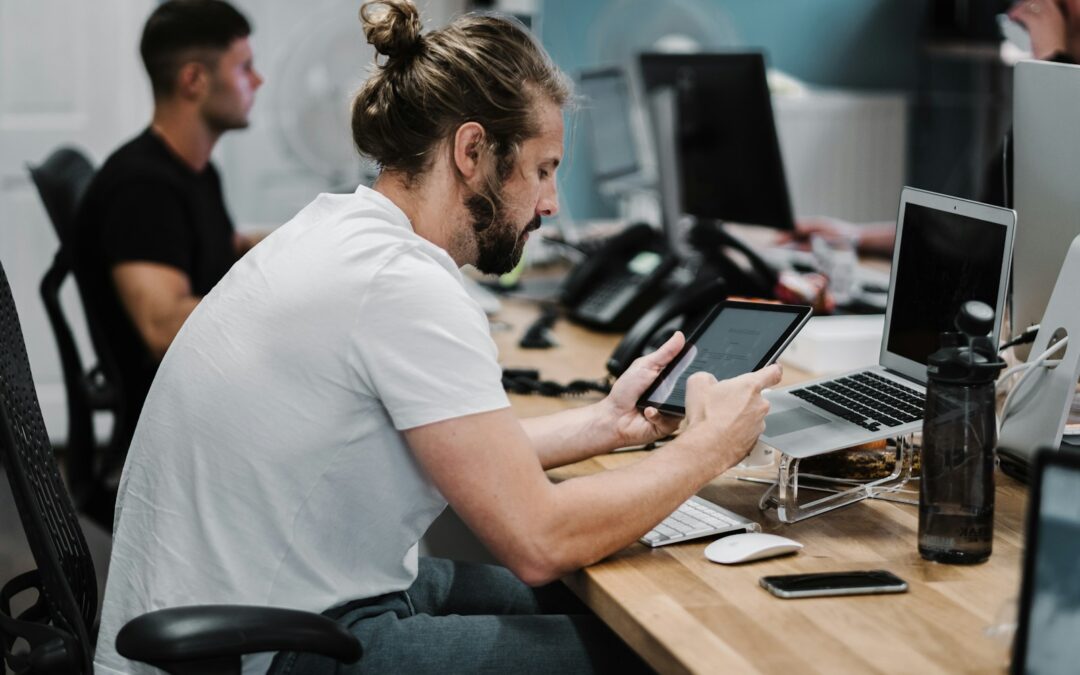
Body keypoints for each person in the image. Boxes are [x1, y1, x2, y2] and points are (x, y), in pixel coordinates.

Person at [92, 1, 781, 673]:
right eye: (543, 169)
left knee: (610, 608)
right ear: (472, 150)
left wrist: (607, 423)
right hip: (268, 646)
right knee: (646, 653)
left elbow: (464, 451)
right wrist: (704, 448)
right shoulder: (403, 284)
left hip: (256, 608)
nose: (550, 203)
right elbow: (539, 538)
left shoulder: (343, 230)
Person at [73, 0, 263, 438]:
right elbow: (162, 327)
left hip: (208, 392)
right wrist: (282, 308)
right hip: (177, 424)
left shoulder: (194, 171)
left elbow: (222, 246)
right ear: (194, 80)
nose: (258, 80)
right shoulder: (142, 189)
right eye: (244, 68)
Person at [788, 0, 1080, 257]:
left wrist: (1052, 65)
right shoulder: (1051, 92)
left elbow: (1052, 232)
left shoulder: (1057, 95)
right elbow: (983, 233)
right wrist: (854, 237)